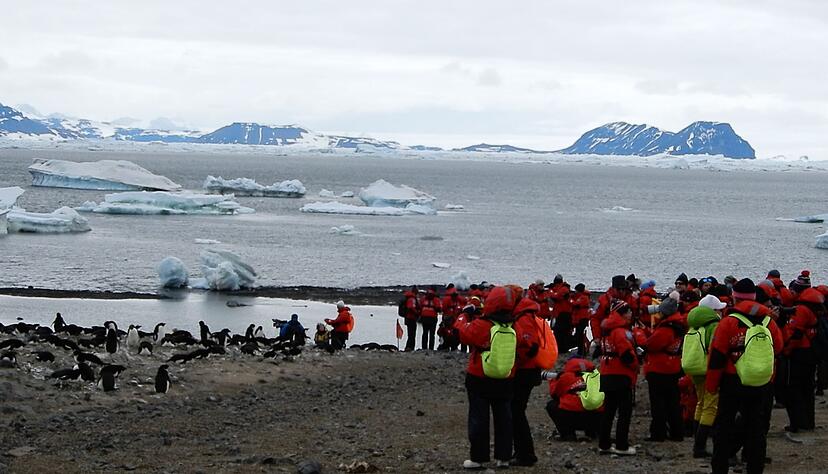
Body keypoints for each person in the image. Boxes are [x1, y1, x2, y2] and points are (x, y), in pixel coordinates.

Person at [707, 278, 783, 474]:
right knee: (756, 428)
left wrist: (712, 385)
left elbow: (716, 357)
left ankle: (720, 467)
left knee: (724, 426)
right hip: (760, 381)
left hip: (733, 380)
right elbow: (779, 348)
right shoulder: (769, 322)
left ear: (734, 298)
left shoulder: (728, 322)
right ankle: (755, 468)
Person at [455, 286, 519, 469]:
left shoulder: (483, 325)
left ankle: (478, 458)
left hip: (480, 377)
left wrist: (464, 314)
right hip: (506, 376)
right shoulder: (514, 324)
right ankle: (504, 457)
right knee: (504, 418)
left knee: (479, 418)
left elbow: (462, 333)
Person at [598, 300, 639, 455]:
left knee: (608, 411)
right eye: (628, 312)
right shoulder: (620, 332)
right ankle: (622, 445)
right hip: (621, 375)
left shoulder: (606, 330)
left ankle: (604, 444)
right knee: (624, 411)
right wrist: (636, 366)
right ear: (622, 314)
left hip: (607, 373)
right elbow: (626, 355)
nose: (631, 314)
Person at [686, 296, 725, 458]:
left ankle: (697, 441)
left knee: (701, 403)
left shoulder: (694, 325)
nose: (721, 312)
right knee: (710, 406)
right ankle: (700, 446)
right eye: (719, 309)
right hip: (707, 370)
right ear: (714, 311)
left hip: (695, 369)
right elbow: (715, 350)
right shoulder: (714, 326)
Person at [782, 287, 825, 432]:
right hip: (811, 354)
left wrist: (787, 350)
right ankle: (808, 422)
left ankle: (798, 423)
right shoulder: (817, 311)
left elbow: (797, 333)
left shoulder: (801, 310)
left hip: (799, 354)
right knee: (808, 389)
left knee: (794, 389)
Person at [643, 298, 686, 442]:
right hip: (673, 367)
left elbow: (651, 345)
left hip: (659, 369)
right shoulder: (679, 326)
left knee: (658, 403)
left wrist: (645, 337)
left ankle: (658, 433)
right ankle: (677, 432)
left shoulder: (666, 329)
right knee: (673, 402)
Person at [510, 293, 544, 466]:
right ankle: (523, 452)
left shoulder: (523, 318)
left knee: (516, 411)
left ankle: (525, 454)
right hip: (530, 371)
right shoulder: (529, 315)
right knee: (517, 411)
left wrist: (514, 360)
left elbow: (529, 347)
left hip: (525, 372)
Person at [546, 358, 601, 440]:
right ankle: (593, 432)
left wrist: (554, 380)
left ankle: (568, 433)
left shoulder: (566, 377)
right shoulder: (597, 377)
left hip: (572, 416)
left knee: (552, 405)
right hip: (594, 416)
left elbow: (554, 394)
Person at [549, 275, 573, 352]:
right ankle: (560, 348)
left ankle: (563, 348)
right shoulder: (562, 288)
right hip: (560, 313)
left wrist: (550, 291)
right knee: (558, 331)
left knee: (561, 332)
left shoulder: (563, 289)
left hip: (564, 313)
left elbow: (556, 296)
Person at [571, 283, 592, 356]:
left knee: (579, 335)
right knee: (579, 335)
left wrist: (570, 300)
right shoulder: (583, 297)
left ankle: (582, 350)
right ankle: (581, 350)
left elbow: (575, 304)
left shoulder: (583, 298)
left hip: (582, 318)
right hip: (581, 318)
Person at [402, 287, 420, 351]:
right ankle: (410, 347)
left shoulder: (409, 298)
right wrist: (417, 312)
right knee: (412, 335)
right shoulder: (412, 299)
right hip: (411, 318)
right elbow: (411, 307)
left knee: (411, 334)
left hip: (408, 318)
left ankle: (409, 347)